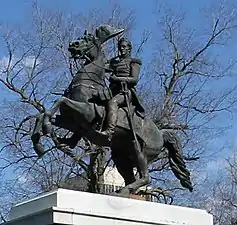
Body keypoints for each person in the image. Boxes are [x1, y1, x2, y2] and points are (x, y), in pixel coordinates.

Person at [99, 38, 144, 141]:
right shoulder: (115, 61)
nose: (121, 49)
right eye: (120, 47)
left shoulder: (134, 62)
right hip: (112, 91)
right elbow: (102, 67)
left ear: (129, 48)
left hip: (125, 92)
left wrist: (117, 79)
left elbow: (134, 80)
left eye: (124, 47)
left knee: (112, 102)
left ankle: (109, 131)